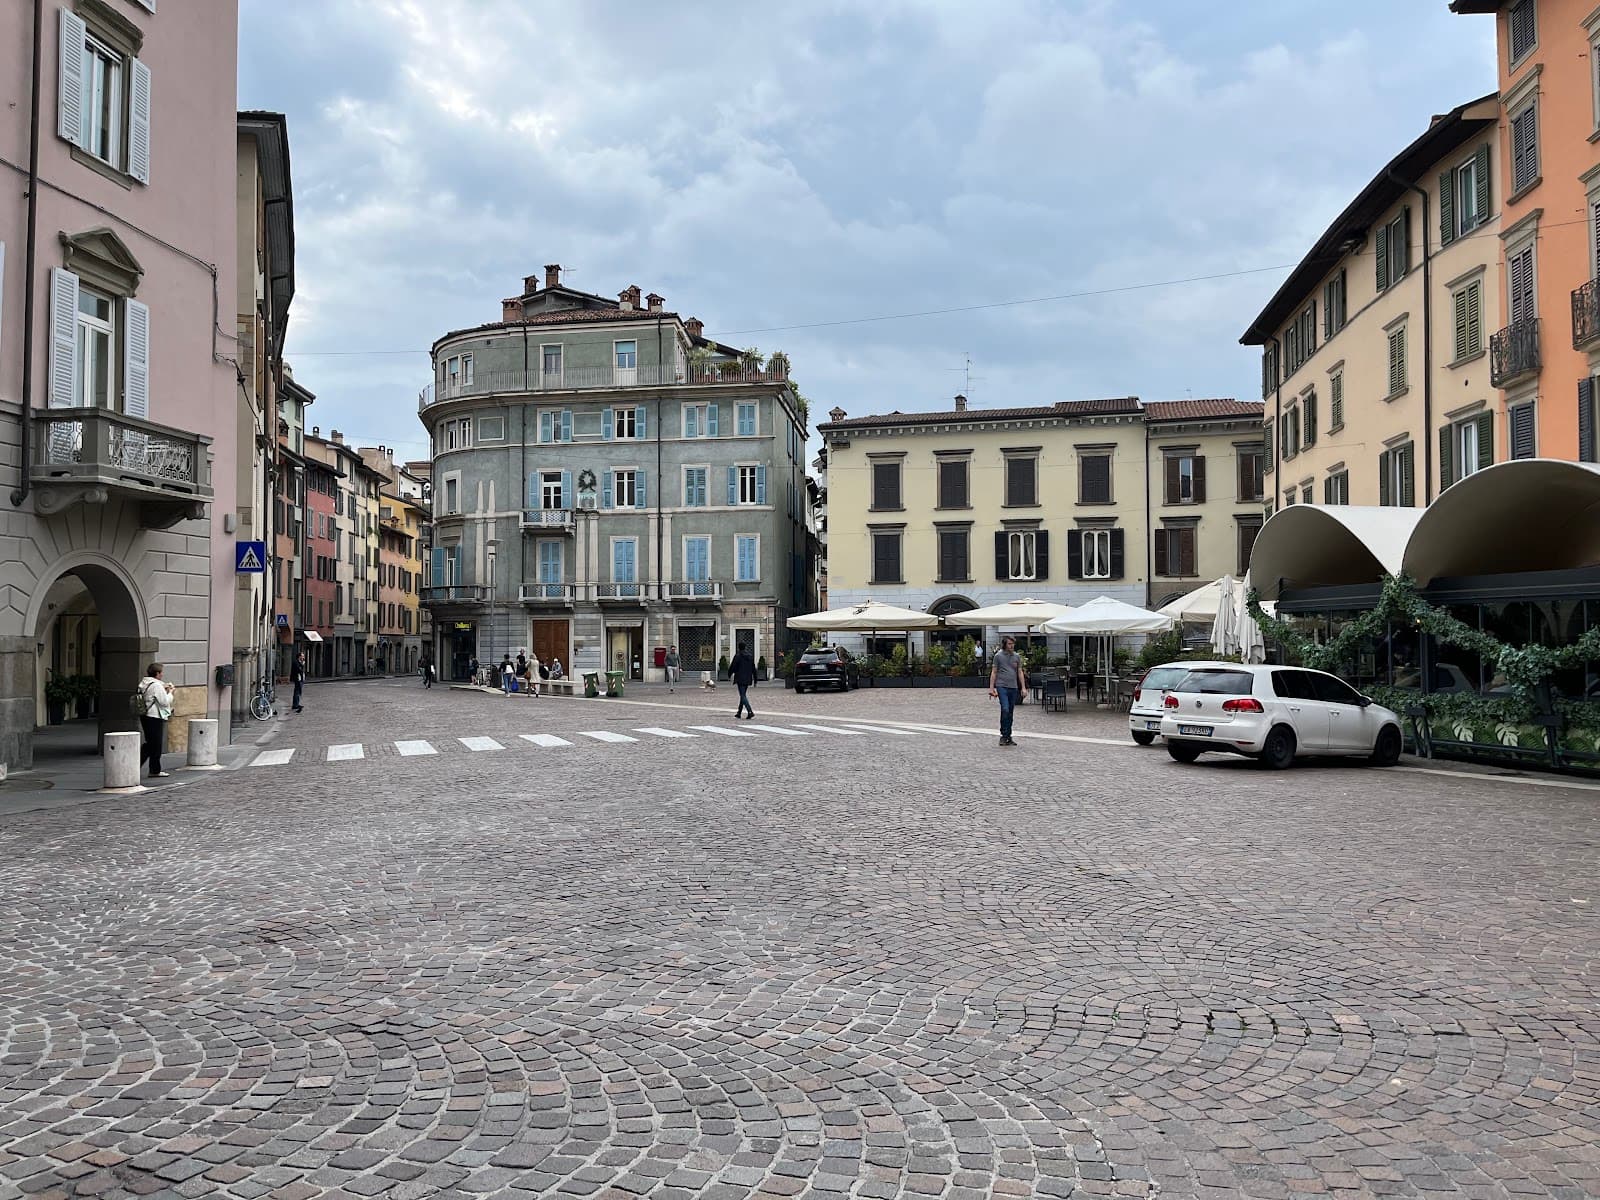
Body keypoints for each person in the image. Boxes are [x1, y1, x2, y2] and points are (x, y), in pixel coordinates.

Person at [136, 663, 176, 778]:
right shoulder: (156, 686)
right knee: (154, 744)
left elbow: (152, 694)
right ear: (157, 673)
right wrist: (170, 693)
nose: (162, 674)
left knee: (151, 743)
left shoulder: (144, 683)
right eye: (161, 672)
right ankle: (152, 770)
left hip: (145, 716)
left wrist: (165, 687)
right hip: (154, 717)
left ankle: (151, 768)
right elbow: (164, 702)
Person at [988, 635, 1027, 747]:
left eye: (1013, 644)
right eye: (1009, 644)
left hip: (1013, 687)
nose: (1012, 646)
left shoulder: (1016, 657)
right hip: (1002, 686)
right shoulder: (998, 656)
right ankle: (1003, 734)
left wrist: (1023, 687)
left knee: (1010, 711)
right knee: (1005, 709)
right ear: (1004, 644)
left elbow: (1020, 672)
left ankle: (1008, 736)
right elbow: (994, 672)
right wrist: (992, 688)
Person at [729, 645, 758, 720]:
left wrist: (729, 674)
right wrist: (755, 679)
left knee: (742, 695)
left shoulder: (738, 656)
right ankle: (739, 712)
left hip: (740, 678)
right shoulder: (750, 656)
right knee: (743, 695)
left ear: (739, 648)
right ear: (745, 647)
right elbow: (753, 668)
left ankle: (750, 711)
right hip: (748, 678)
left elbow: (733, 666)